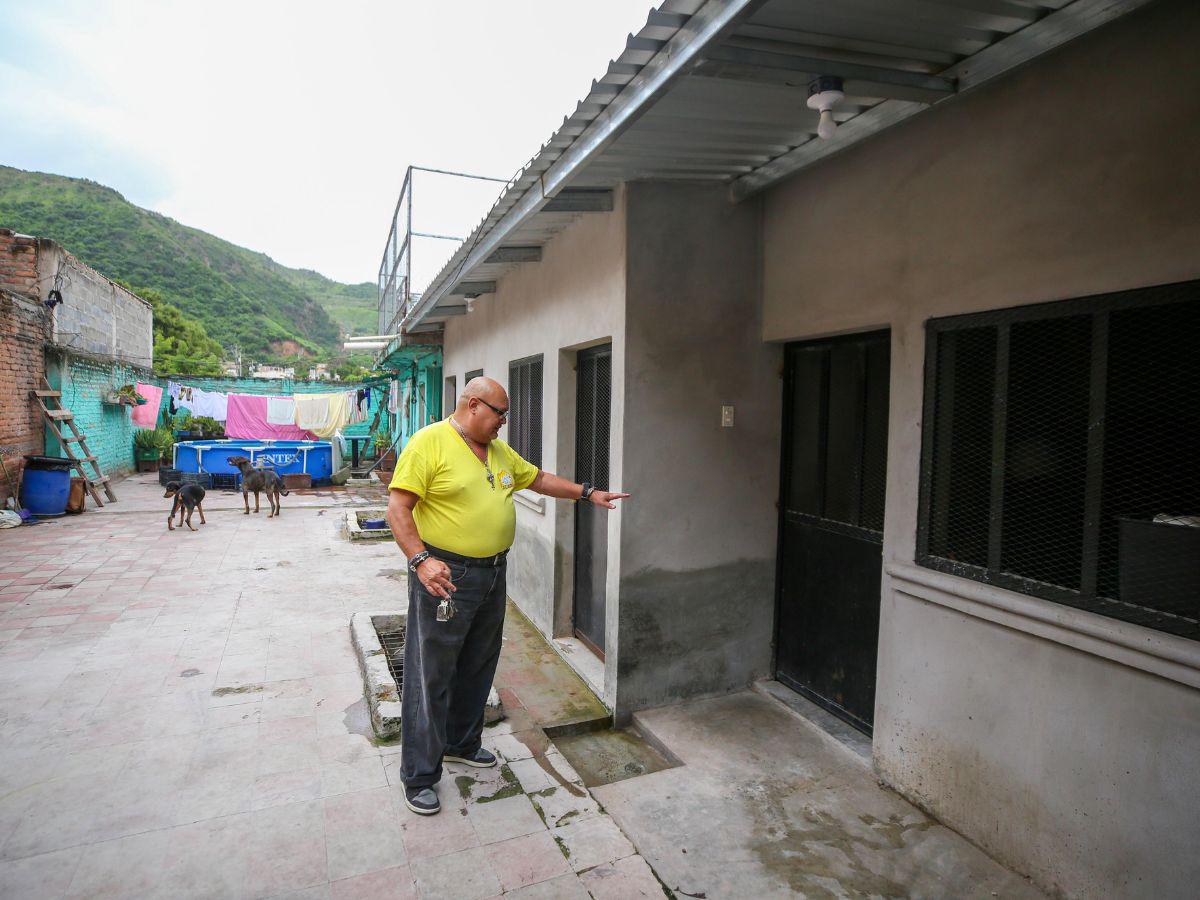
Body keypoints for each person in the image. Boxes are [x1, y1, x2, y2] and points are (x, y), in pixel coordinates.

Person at [386, 376, 629, 815]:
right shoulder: (429, 443)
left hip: (493, 572)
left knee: (479, 662)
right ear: (474, 405)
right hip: (446, 575)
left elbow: (537, 479)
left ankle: (462, 742)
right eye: (501, 413)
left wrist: (587, 493)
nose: (504, 422)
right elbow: (398, 508)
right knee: (432, 671)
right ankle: (419, 774)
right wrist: (421, 560)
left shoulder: (497, 451)